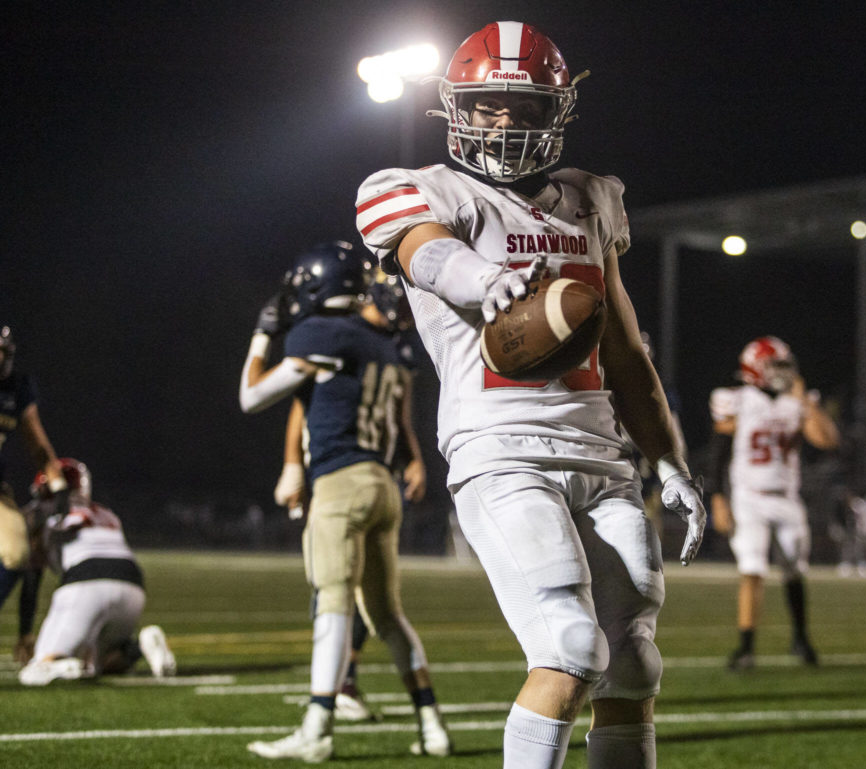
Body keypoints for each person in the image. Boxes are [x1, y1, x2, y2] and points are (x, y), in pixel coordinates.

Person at [355, 22, 706, 769]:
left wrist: (670, 461)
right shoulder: (422, 190)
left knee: (633, 660)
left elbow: (625, 347)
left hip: (603, 453)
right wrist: (485, 281)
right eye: (488, 104)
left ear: (558, 110)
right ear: (456, 108)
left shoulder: (592, 199)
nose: (504, 119)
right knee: (569, 642)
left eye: (522, 103)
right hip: (502, 448)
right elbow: (426, 253)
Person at [240, 242, 450, 762]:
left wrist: (263, 335)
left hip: (341, 483)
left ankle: (316, 727)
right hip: (384, 487)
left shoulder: (323, 333)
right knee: (387, 615)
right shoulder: (381, 343)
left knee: (332, 604)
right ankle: (432, 725)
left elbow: (252, 396)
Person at [271, 272, 425, 724]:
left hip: (357, 471)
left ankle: (338, 689)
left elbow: (400, 410)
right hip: (332, 467)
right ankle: (343, 687)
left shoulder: (384, 342)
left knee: (351, 591)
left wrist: (412, 458)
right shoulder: (341, 332)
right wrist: (292, 465)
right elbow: (302, 402)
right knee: (342, 588)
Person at [707, 336, 840, 670]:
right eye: (775, 366)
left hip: (787, 498)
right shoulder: (737, 400)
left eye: (784, 365)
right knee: (752, 570)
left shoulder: (798, 401)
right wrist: (718, 499)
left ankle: (801, 639)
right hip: (748, 497)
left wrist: (806, 403)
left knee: (795, 571)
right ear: (754, 368)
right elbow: (718, 454)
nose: (783, 372)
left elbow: (827, 440)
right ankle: (746, 646)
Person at [17, 457, 176, 685]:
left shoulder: (41, 515)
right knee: (101, 663)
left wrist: (25, 632)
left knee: (37, 671)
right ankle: (138, 647)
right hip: (132, 584)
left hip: (87, 579)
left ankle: (60, 661)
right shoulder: (105, 512)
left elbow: (32, 577)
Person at [0, 324, 68, 662]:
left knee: (18, 551)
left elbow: (38, 446)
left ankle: (25, 634)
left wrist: (58, 485)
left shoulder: (17, 388)